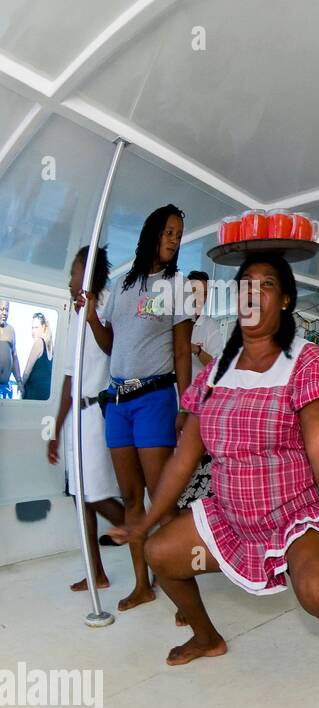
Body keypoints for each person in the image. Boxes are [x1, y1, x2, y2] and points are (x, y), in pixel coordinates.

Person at [109, 253, 319, 704]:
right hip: (230, 516)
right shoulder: (214, 374)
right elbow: (184, 458)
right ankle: (207, 637)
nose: (252, 293)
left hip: (295, 514)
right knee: (160, 554)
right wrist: (147, 518)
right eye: (245, 284)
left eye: (266, 285)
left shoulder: (303, 362)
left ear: (286, 300)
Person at [84, 203, 193, 614]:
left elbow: (182, 351)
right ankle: (142, 585)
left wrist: (185, 406)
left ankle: (185, 596)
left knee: (160, 498)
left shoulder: (176, 285)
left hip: (155, 399)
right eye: (169, 231)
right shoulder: (123, 285)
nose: (175, 240)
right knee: (131, 499)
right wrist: (93, 315)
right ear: (151, 233)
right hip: (117, 403)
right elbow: (112, 344)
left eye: (179, 234)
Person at [47, 246, 125, 591]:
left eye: (73, 271)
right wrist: (57, 427)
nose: (69, 279)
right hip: (75, 417)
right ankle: (96, 572)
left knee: (94, 494)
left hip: (96, 413)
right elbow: (68, 376)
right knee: (80, 496)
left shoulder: (107, 302)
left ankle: (146, 535)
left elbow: (112, 348)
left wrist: (93, 315)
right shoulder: (73, 315)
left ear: (88, 270)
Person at [179, 270, 218, 510]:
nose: (198, 297)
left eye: (203, 293)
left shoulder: (209, 326)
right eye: (193, 291)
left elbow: (217, 366)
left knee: (195, 465)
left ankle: (196, 515)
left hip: (198, 408)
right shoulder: (173, 322)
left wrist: (195, 350)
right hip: (170, 401)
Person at [20, 312, 53, 400]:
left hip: (33, 396)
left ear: (43, 327)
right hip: (44, 398)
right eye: (32, 328)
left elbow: (27, 371)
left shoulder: (39, 342)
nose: (33, 331)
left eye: (36, 327)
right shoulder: (51, 348)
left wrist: (20, 385)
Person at [0, 299, 18, 398]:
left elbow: (14, 357)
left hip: (6, 387)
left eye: (6, 310)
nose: (4, 313)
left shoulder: (11, 330)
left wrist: (19, 381)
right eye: (1, 309)